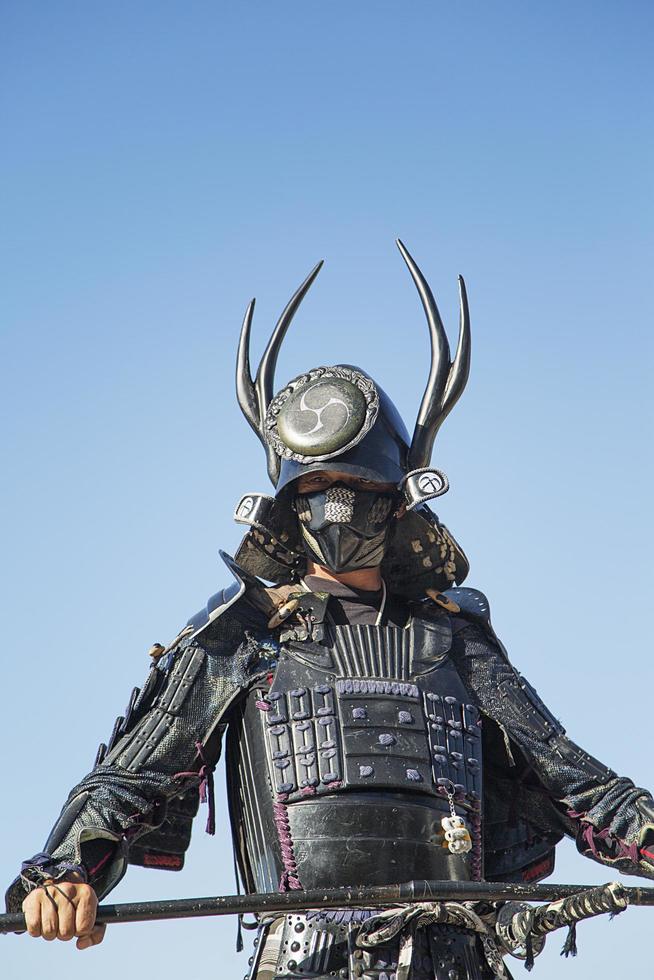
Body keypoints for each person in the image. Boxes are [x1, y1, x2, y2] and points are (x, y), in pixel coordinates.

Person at [7, 242, 654, 979]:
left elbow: (583, 790)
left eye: (360, 493)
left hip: (459, 959)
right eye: (316, 494)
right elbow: (131, 782)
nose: (337, 512)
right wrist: (63, 872)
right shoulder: (239, 637)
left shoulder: (454, 637)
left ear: (403, 503)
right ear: (286, 510)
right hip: (304, 961)